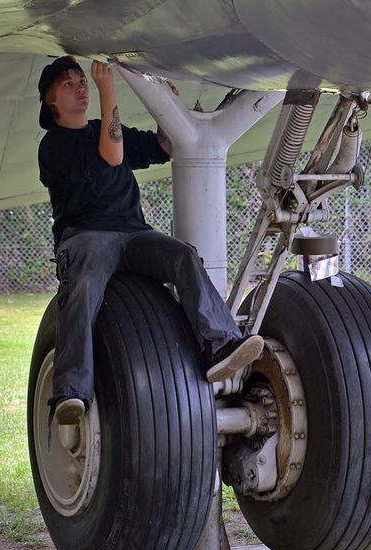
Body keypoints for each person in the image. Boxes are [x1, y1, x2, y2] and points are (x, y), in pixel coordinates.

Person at [37, 56, 263, 427]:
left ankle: (219, 344)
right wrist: (108, 88)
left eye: (82, 81)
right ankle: (70, 390)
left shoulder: (104, 128)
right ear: (51, 101)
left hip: (134, 234)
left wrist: (169, 110)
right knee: (84, 283)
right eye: (68, 85)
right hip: (86, 236)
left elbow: (164, 146)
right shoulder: (54, 146)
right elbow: (113, 156)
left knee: (182, 256)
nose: (81, 88)